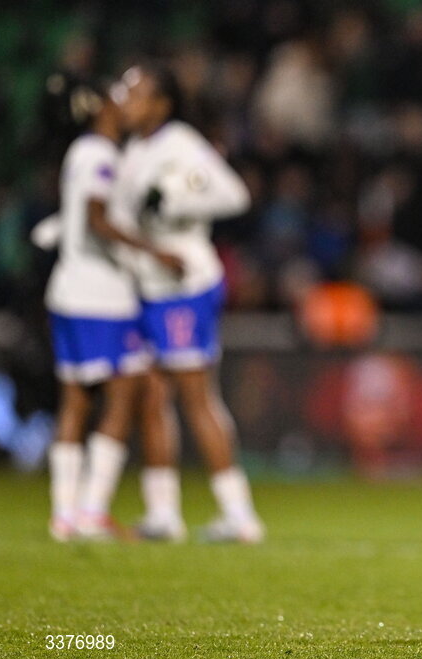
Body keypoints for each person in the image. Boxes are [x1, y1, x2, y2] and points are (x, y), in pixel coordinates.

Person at [109, 63, 265, 543]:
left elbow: (235, 196)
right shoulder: (134, 148)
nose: (125, 101)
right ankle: (163, 514)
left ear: (162, 104)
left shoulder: (180, 142)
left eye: (136, 94)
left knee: (196, 396)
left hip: (184, 287)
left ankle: (240, 516)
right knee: (152, 396)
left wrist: (176, 204)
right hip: (149, 286)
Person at [40, 73, 183, 541]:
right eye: (119, 97)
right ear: (102, 107)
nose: (126, 104)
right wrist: (152, 251)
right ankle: (92, 509)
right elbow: (98, 218)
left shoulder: (83, 152)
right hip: (100, 295)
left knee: (77, 399)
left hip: (69, 290)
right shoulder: (100, 154)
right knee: (128, 391)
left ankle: (64, 514)